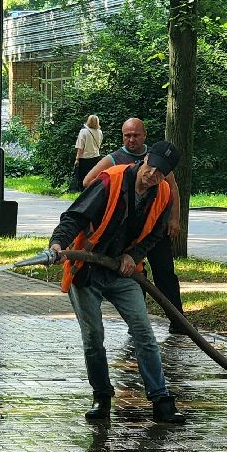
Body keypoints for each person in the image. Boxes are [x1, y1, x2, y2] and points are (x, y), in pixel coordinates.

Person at [49, 140, 187, 425]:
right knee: (93, 337)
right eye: (152, 167)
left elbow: (156, 235)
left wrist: (133, 255)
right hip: (87, 266)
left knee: (144, 332)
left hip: (124, 272)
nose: (153, 175)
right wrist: (57, 244)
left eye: (161, 173)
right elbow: (75, 216)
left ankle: (161, 401)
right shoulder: (110, 180)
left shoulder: (162, 194)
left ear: (168, 175)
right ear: (145, 159)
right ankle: (102, 397)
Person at [82, 117, 186, 332]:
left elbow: (173, 189)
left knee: (165, 271)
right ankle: (137, 323)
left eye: (136, 135)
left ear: (144, 136)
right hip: (128, 231)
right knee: (135, 272)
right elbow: (88, 182)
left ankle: (178, 321)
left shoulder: (160, 159)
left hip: (155, 226)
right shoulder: (114, 160)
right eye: (127, 135)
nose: (131, 139)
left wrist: (174, 219)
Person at [72, 114, 104, 190]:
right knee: (93, 178)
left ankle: (83, 195)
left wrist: (77, 159)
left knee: (83, 180)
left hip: (85, 159)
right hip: (96, 158)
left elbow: (80, 147)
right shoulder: (99, 132)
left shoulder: (83, 132)